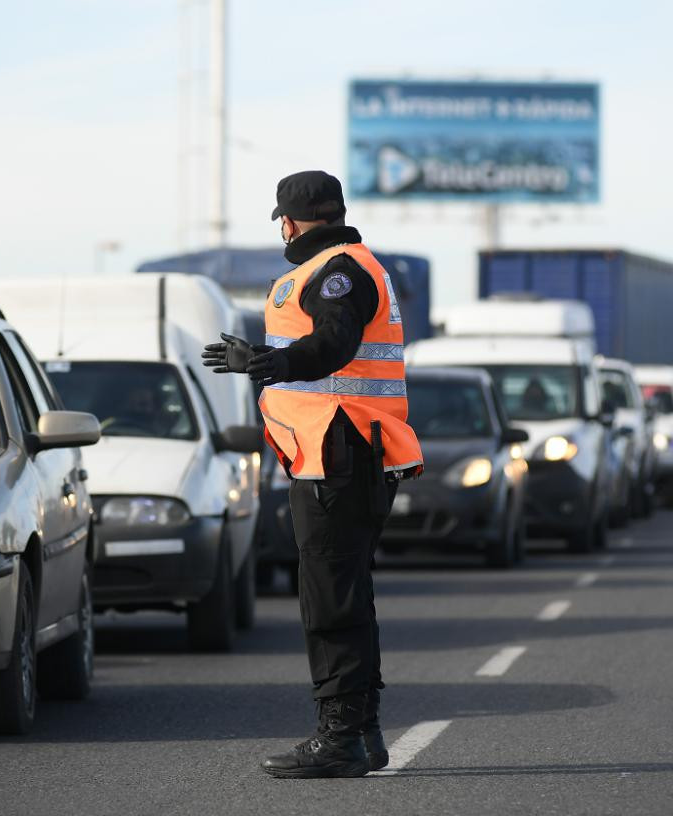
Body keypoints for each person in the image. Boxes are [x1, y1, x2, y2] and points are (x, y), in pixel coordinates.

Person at [203, 170, 422, 779]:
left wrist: (272, 363)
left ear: (290, 221)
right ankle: (363, 733)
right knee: (344, 593)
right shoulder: (338, 266)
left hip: (339, 450)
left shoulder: (339, 270)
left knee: (329, 600)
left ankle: (341, 738)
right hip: (338, 452)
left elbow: (335, 342)